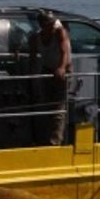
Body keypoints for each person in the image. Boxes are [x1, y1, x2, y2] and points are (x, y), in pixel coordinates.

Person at [30, 10, 72, 145]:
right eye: (50, 24)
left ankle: (55, 141)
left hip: (61, 71)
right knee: (46, 105)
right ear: (43, 25)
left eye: (53, 23)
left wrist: (61, 68)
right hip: (47, 70)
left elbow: (64, 52)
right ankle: (43, 137)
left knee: (58, 108)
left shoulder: (60, 32)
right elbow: (32, 55)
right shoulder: (37, 37)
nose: (53, 26)